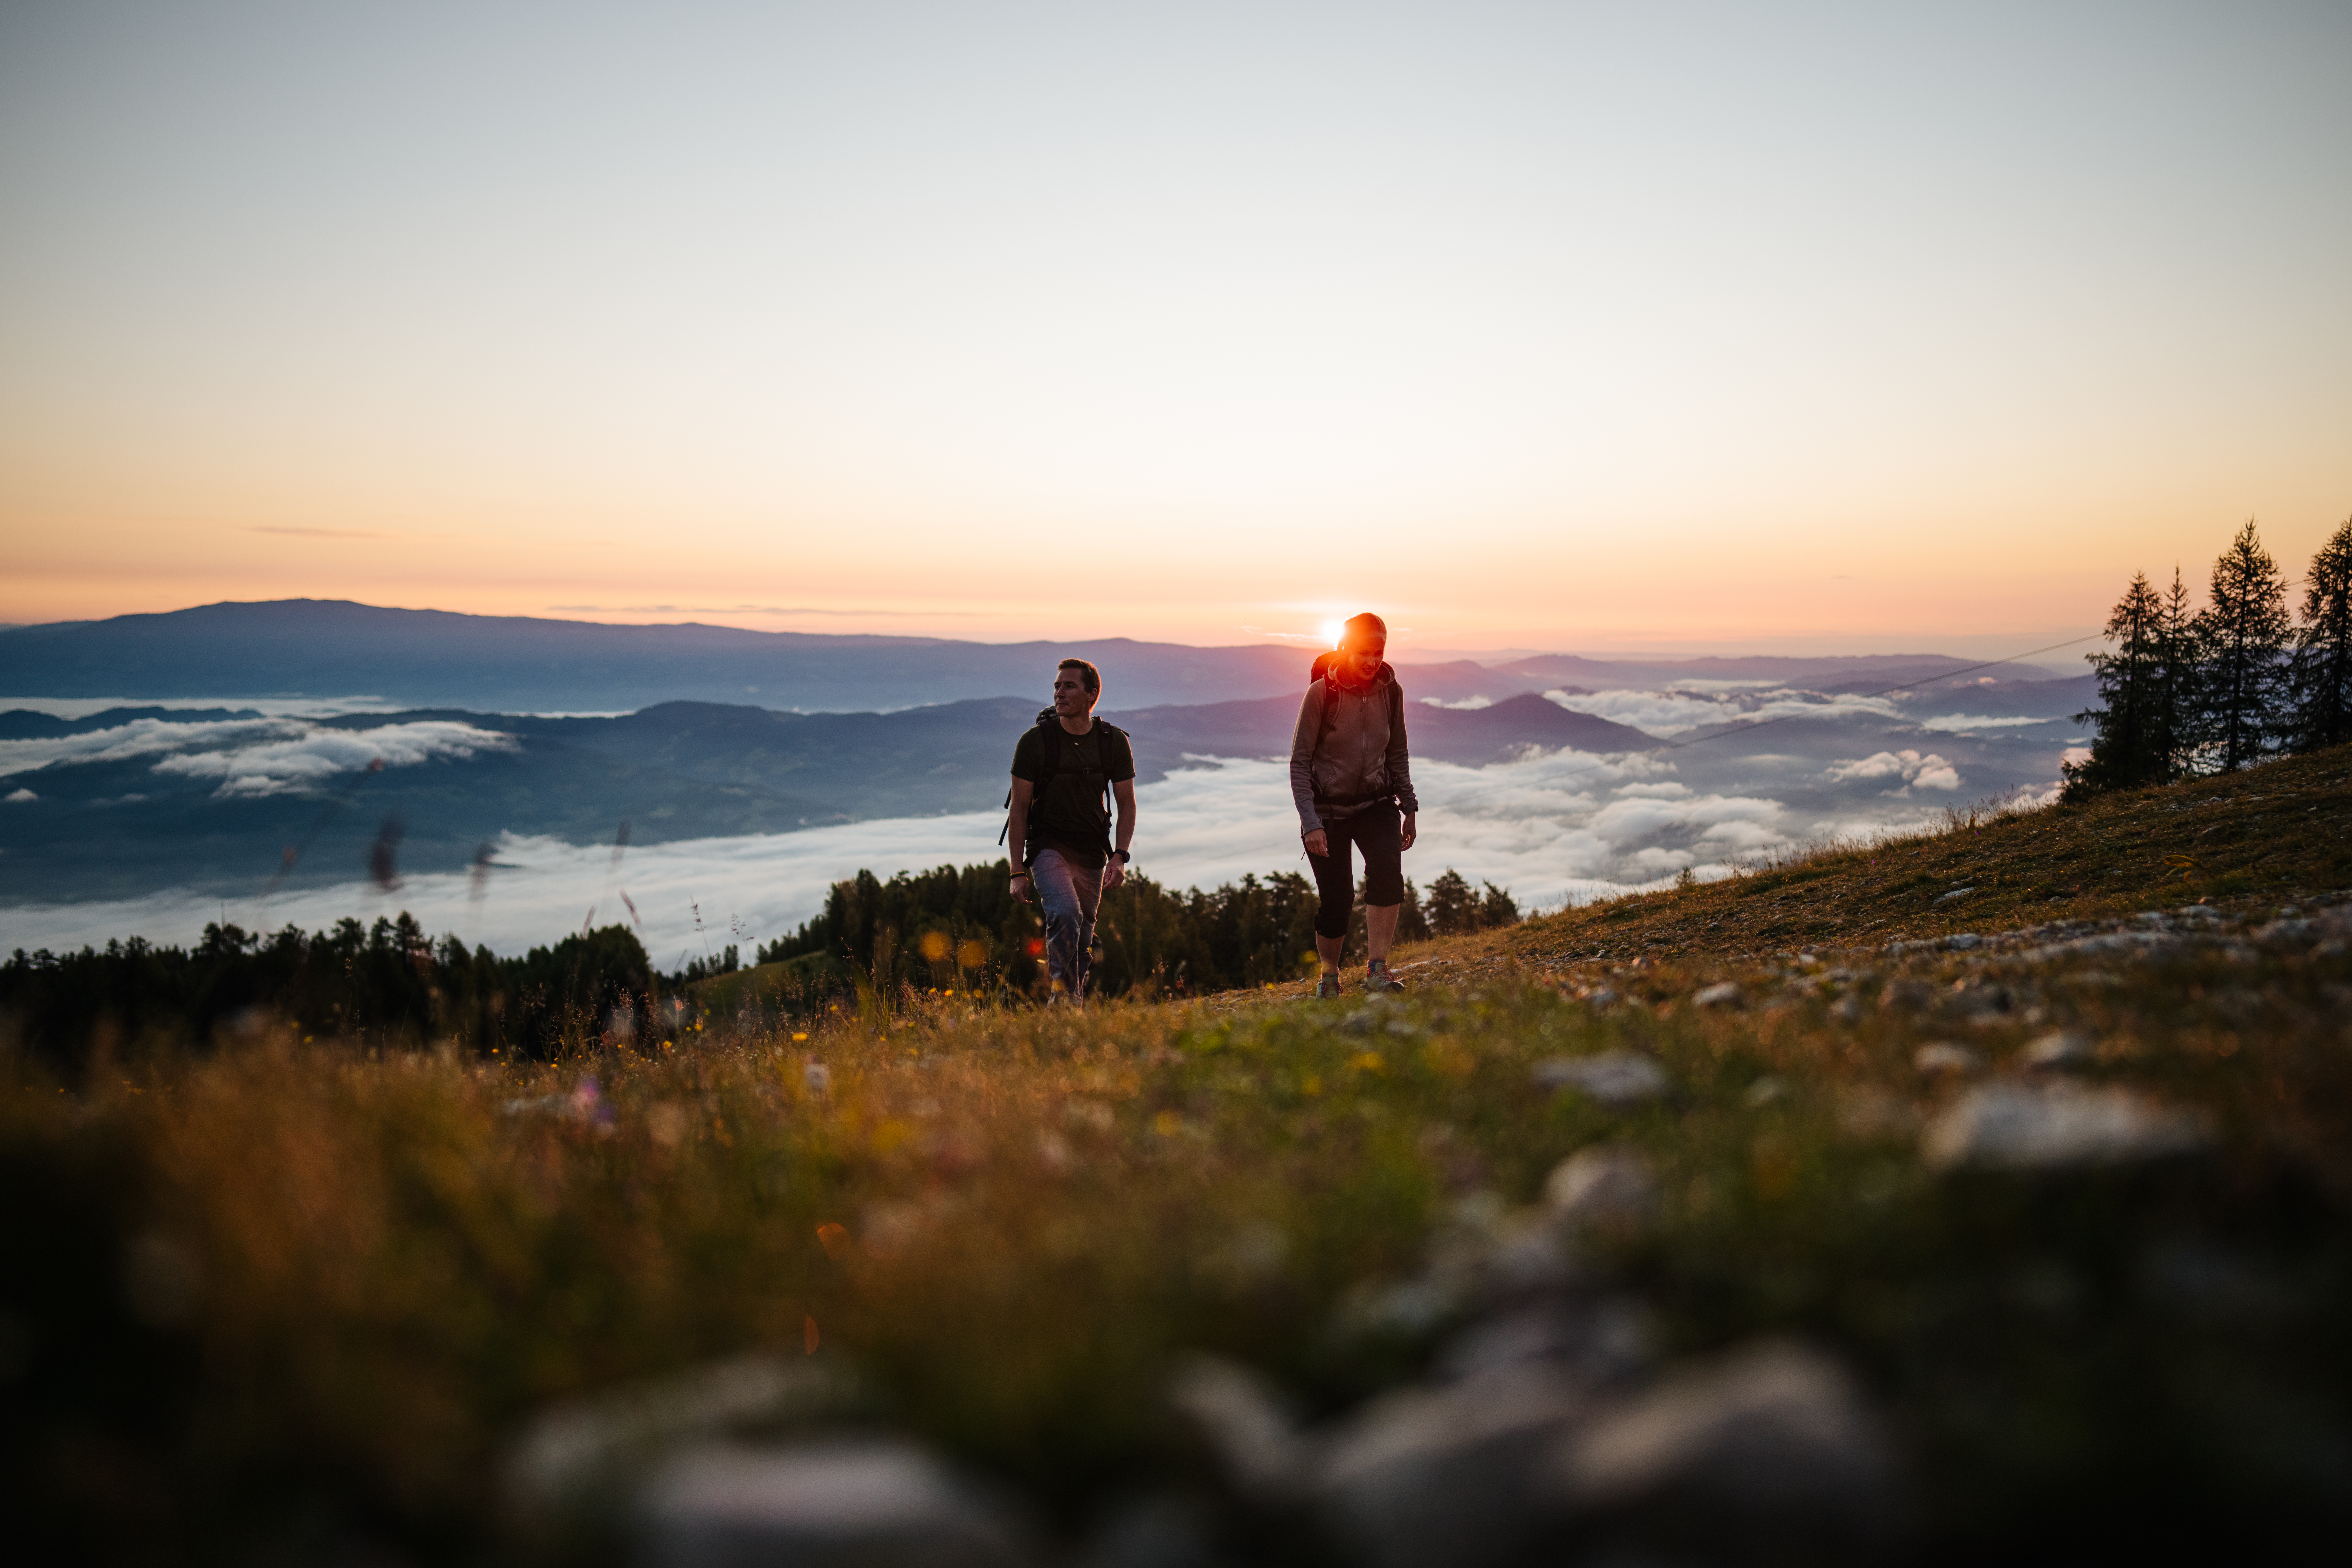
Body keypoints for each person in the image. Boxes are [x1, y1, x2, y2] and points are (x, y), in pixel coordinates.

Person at [1292, 613, 1419, 997]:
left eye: (1378, 652)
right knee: (1337, 900)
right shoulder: (1321, 693)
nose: (1371, 661)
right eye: (1363, 652)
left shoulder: (1391, 691)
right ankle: (1329, 978)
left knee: (1387, 873)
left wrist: (1409, 806)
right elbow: (1299, 762)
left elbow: (1397, 752)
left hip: (1376, 803)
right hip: (1328, 810)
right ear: (1345, 648)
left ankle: (1378, 970)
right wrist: (1310, 822)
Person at [1005, 658, 1136, 1002]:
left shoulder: (1113, 742)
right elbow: (1019, 809)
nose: (1059, 693)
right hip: (1047, 845)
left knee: (1083, 938)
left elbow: (1127, 804)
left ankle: (1071, 1003)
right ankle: (1063, 1000)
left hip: (1093, 850)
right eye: (1057, 686)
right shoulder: (1035, 742)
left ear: (1091, 694)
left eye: (1069, 686)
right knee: (1065, 912)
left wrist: (1120, 856)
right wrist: (1017, 870)